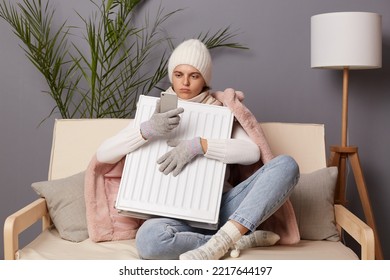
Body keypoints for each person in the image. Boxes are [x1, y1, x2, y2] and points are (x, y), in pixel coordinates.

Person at [96, 39, 299, 260]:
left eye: (194, 76)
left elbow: (252, 153)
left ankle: (225, 237)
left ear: (204, 79)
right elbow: (103, 154)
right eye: (178, 74)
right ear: (171, 75)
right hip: (172, 215)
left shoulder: (220, 111)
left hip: (223, 208)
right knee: (148, 241)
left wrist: (200, 146)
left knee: (287, 165)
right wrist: (146, 130)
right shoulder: (151, 112)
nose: (185, 82)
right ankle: (236, 239)